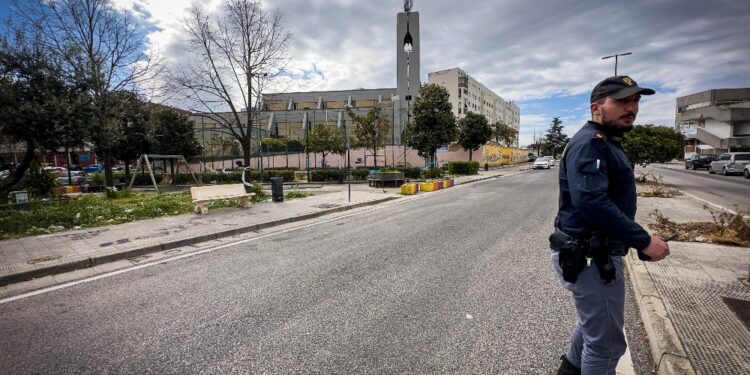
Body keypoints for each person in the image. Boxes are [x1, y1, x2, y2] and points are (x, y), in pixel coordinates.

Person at [549, 76, 671, 375]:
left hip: (594, 252)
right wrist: (643, 239)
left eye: (635, 101)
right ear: (596, 108)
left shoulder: (607, 142)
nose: (631, 108)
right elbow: (591, 202)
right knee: (606, 345)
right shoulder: (592, 143)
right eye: (621, 101)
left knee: (594, 325)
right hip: (591, 256)